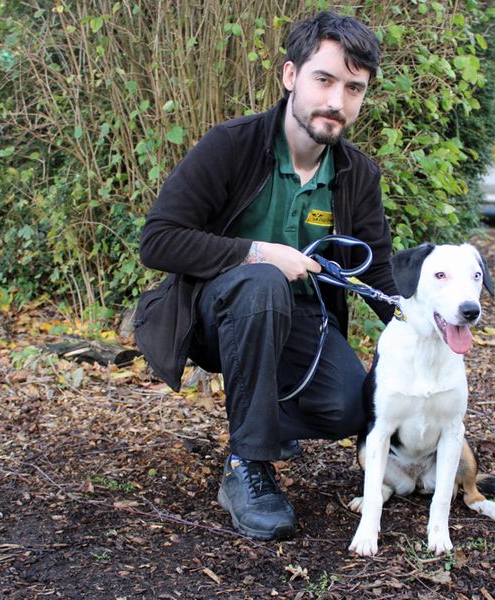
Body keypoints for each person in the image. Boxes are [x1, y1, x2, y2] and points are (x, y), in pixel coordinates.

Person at [134, 12, 397, 541]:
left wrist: (430, 327)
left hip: (301, 320)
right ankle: (247, 465)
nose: (337, 101)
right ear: (290, 75)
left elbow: (380, 270)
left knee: (351, 405)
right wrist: (258, 252)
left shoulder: (356, 174)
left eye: (354, 88)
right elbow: (158, 240)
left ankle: (258, 413)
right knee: (262, 284)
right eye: (324, 79)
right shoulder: (232, 144)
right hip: (217, 313)